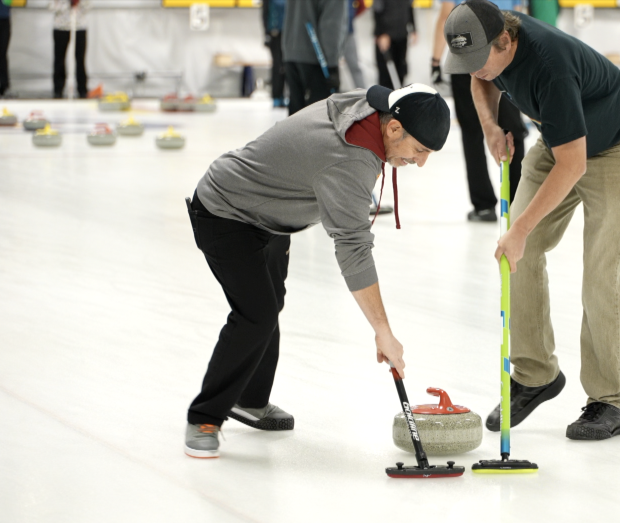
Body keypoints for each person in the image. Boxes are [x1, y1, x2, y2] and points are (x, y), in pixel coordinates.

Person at [183, 84, 450, 458]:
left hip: (269, 214)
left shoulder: (373, 106)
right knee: (255, 314)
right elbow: (353, 250)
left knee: (269, 303)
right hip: (225, 211)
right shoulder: (351, 160)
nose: (421, 163)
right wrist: (383, 332)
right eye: (419, 150)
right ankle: (204, 418)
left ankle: (249, 400)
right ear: (393, 129)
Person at [443, 0, 620, 441]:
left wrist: (521, 228)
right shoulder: (488, 53)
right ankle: (535, 373)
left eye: (481, 60)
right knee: (514, 256)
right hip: (562, 139)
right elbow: (479, 81)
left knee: (600, 273)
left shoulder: (549, 66)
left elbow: (573, 165)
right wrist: (488, 127)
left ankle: (607, 401)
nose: (477, 69)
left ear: (506, 41)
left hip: (618, 146)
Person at [432, 0, 526, 222]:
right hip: (503, 51)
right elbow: (519, 15)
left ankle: (483, 205)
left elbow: (446, 15)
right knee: (513, 130)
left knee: (472, 132)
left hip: (465, 51)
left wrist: (436, 60)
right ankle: (518, 201)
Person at [281, 0, 345, 116]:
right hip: (316, 57)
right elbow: (331, 25)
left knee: (295, 117)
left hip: (291, 50)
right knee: (318, 118)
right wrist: (332, 65)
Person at [51, 0, 90, 99]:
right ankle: (58, 90)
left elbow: (88, 6)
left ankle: (82, 90)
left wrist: (79, 3)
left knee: (80, 59)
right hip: (60, 27)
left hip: (79, 26)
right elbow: (51, 7)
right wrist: (67, 4)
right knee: (59, 59)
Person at [373, 0, 415, 89]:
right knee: (386, 74)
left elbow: (409, 7)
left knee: (401, 70)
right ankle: (385, 100)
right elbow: (377, 11)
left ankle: (399, 98)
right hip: (386, 37)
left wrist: (414, 29)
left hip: (402, 34)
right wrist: (381, 33)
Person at [262, 0, 286, 108]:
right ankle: (277, 97)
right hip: (277, 34)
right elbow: (265, 13)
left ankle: (279, 97)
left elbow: (264, 14)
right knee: (278, 67)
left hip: (279, 33)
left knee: (284, 67)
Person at [342, 0, 367, 89]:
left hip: (348, 33)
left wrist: (351, 16)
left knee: (354, 65)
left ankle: (363, 94)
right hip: (330, 33)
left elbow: (362, 5)